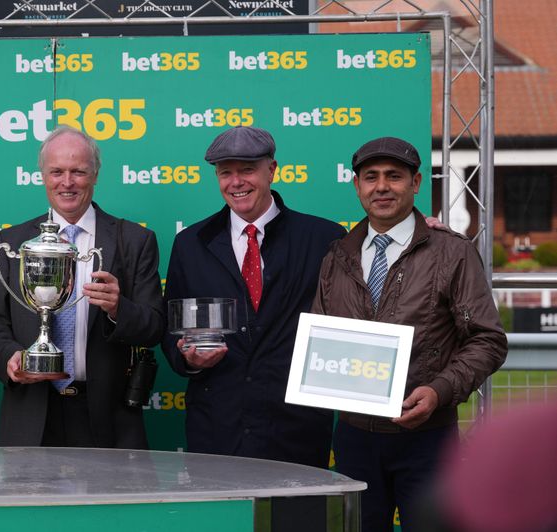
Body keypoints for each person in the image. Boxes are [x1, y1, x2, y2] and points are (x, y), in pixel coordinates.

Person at [311, 136, 507, 532]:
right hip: (353, 439)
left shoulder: (452, 253)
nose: (381, 186)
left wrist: (439, 390)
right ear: (357, 186)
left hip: (427, 439)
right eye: (371, 177)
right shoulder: (337, 256)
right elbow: (323, 336)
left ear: (416, 183)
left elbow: (488, 339)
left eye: (394, 176)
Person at [161, 126, 345, 468]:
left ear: (271, 170)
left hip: (297, 431)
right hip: (216, 431)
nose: (236, 182)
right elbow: (169, 332)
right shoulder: (190, 244)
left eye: (247, 170)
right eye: (225, 172)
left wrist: (414, 226)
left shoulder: (325, 238)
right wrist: (187, 358)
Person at [0, 126, 165, 448]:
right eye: (57, 172)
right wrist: (10, 358)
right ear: (43, 176)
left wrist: (120, 309)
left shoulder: (135, 241)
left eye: (78, 171)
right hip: (31, 416)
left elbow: (155, 328)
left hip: (108, 418)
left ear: (95, 175)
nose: (67, 182)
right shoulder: (12, 242)